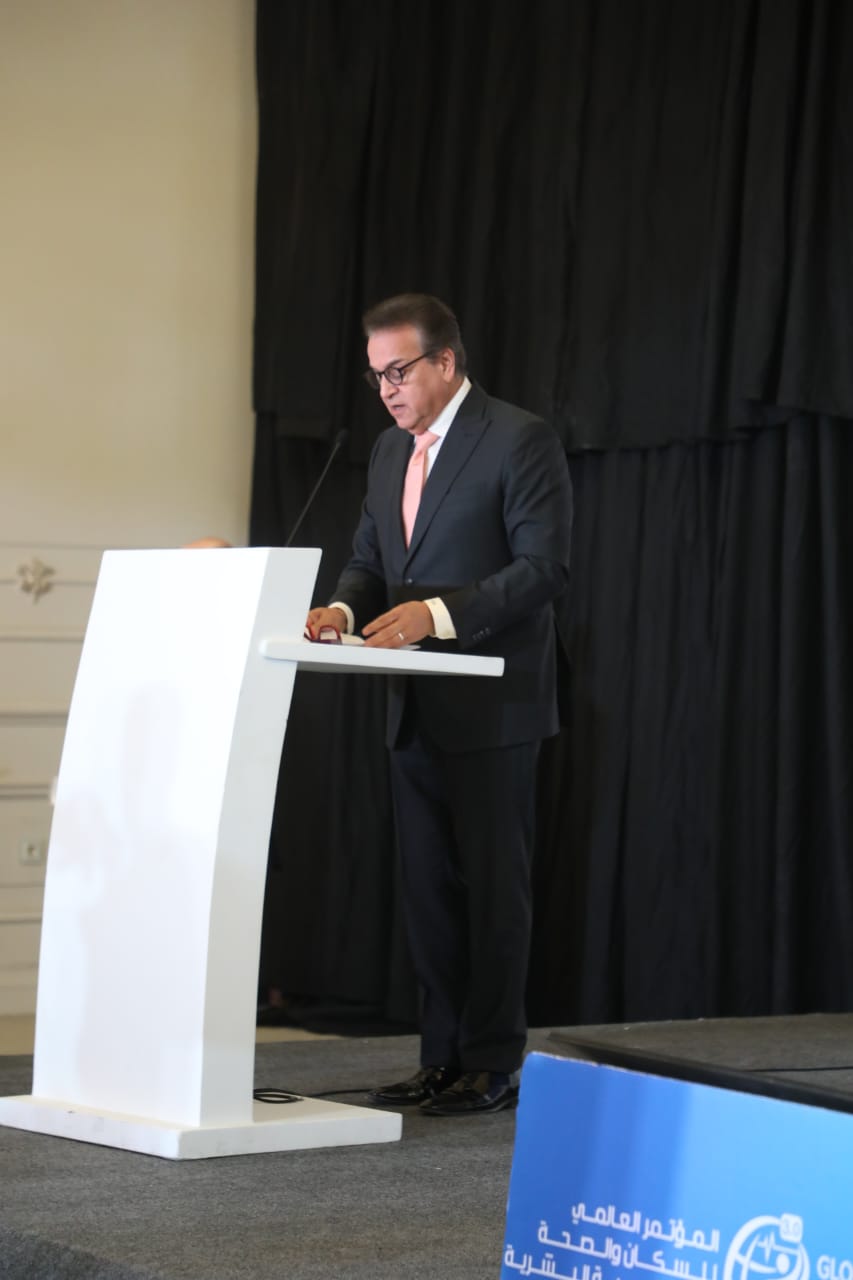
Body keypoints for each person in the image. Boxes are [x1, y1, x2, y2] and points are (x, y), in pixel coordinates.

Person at [307, 293, 572, 1116]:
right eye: (376, 375)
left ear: (445, 361)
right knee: (427, 894)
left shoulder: (518, 438)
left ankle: (491, 1062)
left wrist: (438, 616)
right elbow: (369, 560)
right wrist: (340, 609)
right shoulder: (390, 451)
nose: (386, 389)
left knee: (492, 892)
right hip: (411, 707)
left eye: (398, 371)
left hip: (493, 706)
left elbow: (543, 567)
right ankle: (440, 1057)